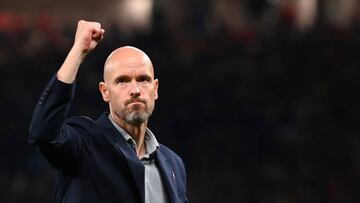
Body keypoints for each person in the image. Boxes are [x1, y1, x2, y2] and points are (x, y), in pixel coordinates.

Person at [28, 20, 188, 203]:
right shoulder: (85, 145)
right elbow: (42, 133)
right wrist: (78, 51)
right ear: (105, 92)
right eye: (122, 81)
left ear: (155, 88)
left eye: (143, 79)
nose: (135, 89)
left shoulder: (174, 164)